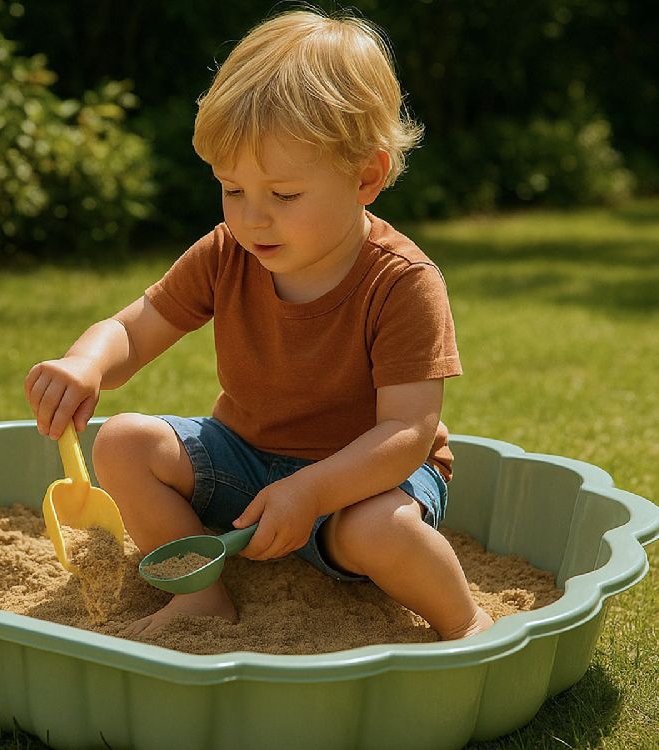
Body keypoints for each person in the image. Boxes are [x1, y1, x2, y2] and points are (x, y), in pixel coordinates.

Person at [24, 9, 493, 641]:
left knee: (383, 531)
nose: (253, 219)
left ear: (367, 177)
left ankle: (468, 624)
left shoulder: (401, 282)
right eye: (231, 189)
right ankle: (201, 596)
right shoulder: (226, 255)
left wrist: (313, 492)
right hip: (246, 458)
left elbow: (406, 432)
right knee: (124, 443)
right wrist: (86, 363)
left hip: (364, 482)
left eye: (284, 195)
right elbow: (136, 328)